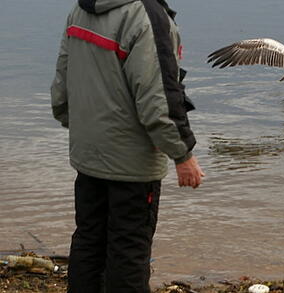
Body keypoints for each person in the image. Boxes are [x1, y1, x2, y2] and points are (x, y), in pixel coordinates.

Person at [51, 0, 204, 292]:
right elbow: (159, 98)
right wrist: (182, 153)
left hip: (88, 152)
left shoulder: (81, 9)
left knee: (88, 240)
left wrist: (76, 124)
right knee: (129, 250)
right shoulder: (147, 15)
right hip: (131, 165)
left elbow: (62, 79)